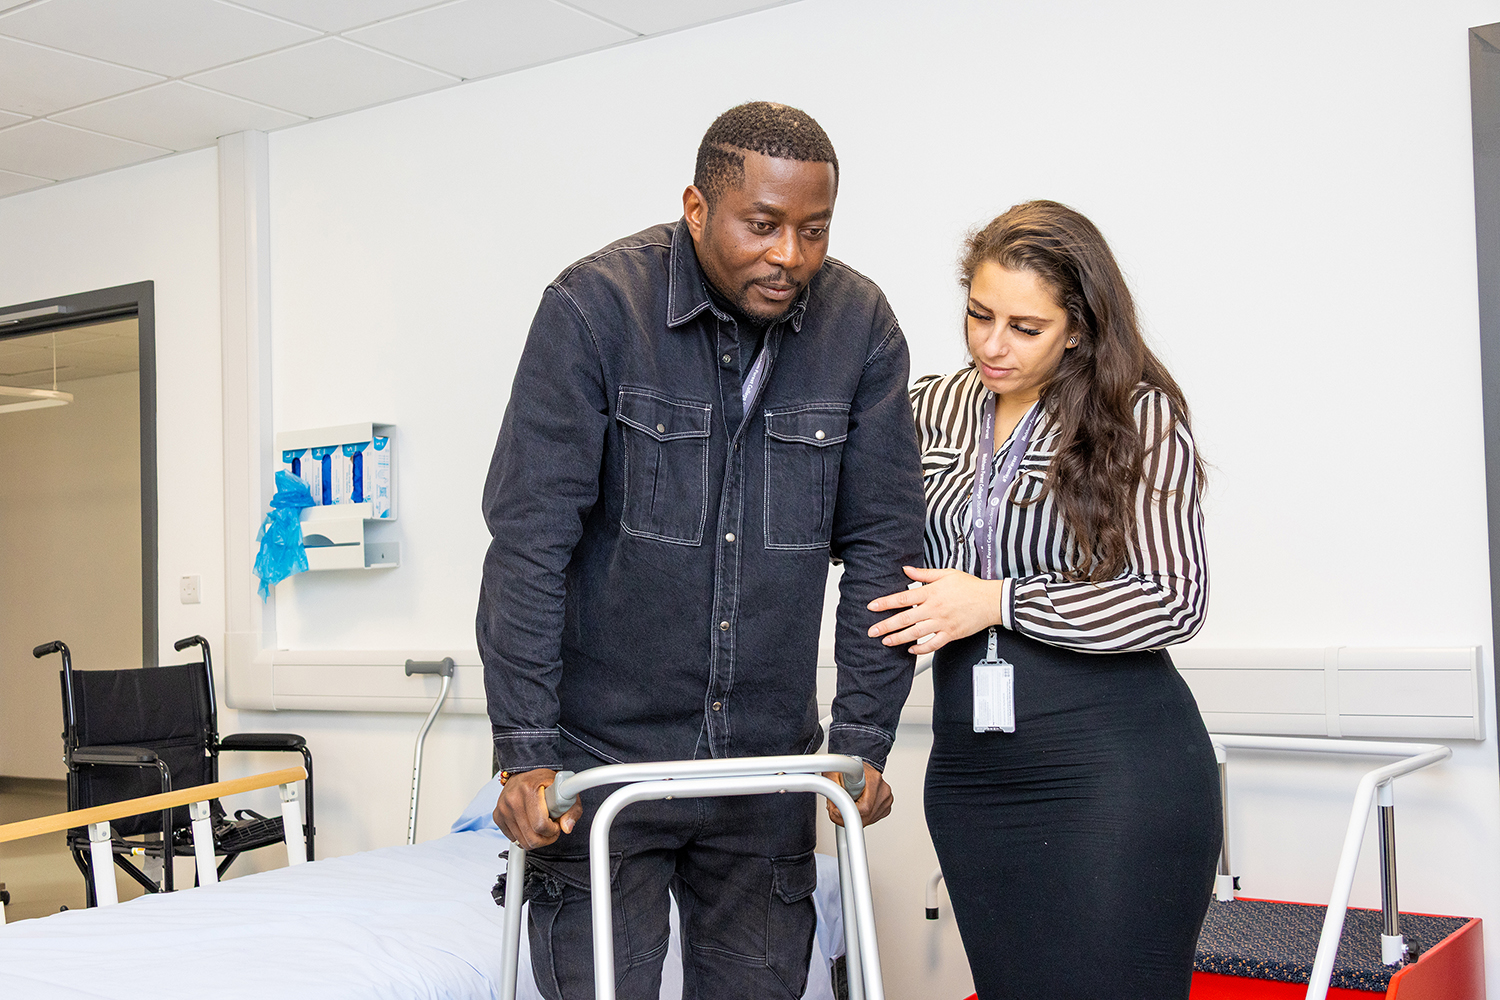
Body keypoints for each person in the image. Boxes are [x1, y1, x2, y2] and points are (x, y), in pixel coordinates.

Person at [477, 102, 924, 1000]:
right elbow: (530, 541)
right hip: (601, 766)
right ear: (696, 208)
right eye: (762, 225)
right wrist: (523, 750)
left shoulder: (860, 327)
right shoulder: (595, 309)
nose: (789, 255)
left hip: (766, 772)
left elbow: (884, 548)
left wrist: (864, 740)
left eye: (813, 230)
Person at [868, 200, 1220, 999]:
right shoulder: (927, 408)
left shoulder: (1137, 415)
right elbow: (863, 543)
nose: (992, 345)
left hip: (1113, 769)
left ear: (1080, 329)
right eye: (978, 314)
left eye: (1025, 327)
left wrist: (1000, 603)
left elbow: (1173, 597)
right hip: (973, 775)